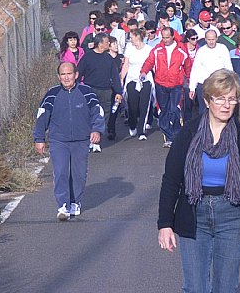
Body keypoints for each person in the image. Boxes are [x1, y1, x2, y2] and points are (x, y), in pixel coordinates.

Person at [157, 69, 240, 292]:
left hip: (231, 214)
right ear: (207, 100)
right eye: (220, 98)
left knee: (225, 286)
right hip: (194, 213)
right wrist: (165, 224)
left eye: (231, 99)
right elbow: (171, 180)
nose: (226, 105)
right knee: (195, 287)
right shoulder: (188, 133)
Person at [33, 61, 104, 219]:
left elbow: (97, 112)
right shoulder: (52, 94)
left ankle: (75, 201)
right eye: (63, 75)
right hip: (59, 140)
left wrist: (97, 130)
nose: (66, 78)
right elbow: (42, 116)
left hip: (81, 140)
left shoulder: (87, 92)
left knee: (78, 174)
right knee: (60, 172)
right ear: (58, 77)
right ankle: (63, 206)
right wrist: (39, 138)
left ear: (76, 75)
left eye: (69, 74)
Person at [140, 27, 190, 148]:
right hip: (161, 84)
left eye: (168, 37)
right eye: (163, 37)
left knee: (175, 110)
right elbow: (149, 61)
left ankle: (177, 135)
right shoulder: (157, 49)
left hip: (176, 85)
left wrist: (189, 80)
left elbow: (188, 66)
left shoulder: (181, 50)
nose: (165, 40)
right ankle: (168, 137)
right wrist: (143, 72)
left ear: (173, 36)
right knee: (163, 111)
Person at [78, 33, 124, 146]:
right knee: (89, 114)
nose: (108, 43)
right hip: (90, 90)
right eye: (106, 42)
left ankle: (97, 139)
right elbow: (78, 73)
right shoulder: (87, 57)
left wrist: (118, 92)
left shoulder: (108, 58)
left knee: (104, 116)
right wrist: (77, 89)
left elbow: (114, 76)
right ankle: (89, 138)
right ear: (99, 44)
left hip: (106, 91)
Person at [120, 29, 153, 140]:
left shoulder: (149, 49)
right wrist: (121, 78)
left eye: (132, 37)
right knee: (132, 105)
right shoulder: (129, 48)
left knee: (144, 105)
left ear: (138, 36)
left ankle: (141, 131)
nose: (130, 39)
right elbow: (126, 65)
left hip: (146, 79)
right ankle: (132, 124)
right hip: (132, 79)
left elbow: (153, 65)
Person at [189, 30, 233, 110]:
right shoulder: (201, 51)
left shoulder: (223, 48)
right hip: (204, 85)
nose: (211, 42)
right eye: (209, 39)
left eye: (213, 39)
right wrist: (192, 88)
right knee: (203, 111)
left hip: (220, 84)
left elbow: (228, 67)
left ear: (216, 38)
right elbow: (195, 69)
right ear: (205, 39)